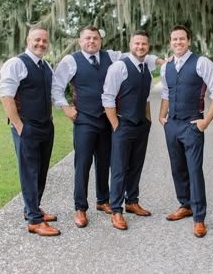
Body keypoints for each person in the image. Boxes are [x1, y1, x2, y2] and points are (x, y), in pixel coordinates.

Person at [52, 26, 160, 228]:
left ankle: (103, 200)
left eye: (95, 38)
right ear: (80, 40)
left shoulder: (110, 56)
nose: (91, 41)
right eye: (87, 38)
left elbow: (136, 53)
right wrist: (66, 108)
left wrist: (162, 61)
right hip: (85, 119)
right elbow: (56, 87)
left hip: (106, 120)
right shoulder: (71, 61)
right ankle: (80, 208)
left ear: (100, 41)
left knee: (105, 162)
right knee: (83, 164)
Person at [159, 25, 213, 238]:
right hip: (173, 125)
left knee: (194, 170)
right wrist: (162, 117)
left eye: (181, 39)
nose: (178, 42)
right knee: (177, 168)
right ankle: (184, 205)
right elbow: (167, 93)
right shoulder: (166, 66)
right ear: (170, 42)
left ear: (189, 41)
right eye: (174, 39)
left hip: (192, 124)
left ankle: (199, 218)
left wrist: (205, 121)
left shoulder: (202, 62)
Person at [0, 26, 60, 236]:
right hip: (27, 126)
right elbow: (6, 96)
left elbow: (53, 93)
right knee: (29, 172)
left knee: (41, 171)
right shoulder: (16, 63)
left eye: (44, 41)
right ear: (28, 40)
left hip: (45, 126)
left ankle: (32, 209)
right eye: (37, 40)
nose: (41, 44)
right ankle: (34, 221)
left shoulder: (46, 66)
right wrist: (19, 125)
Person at [102, 31, 154, 230]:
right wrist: (115, 124)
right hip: (123, 124)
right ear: (130, 44)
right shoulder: (119, 67)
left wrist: (148, 120)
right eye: (137, 43)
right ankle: (116, 210)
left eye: (144, 44)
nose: (140, 46)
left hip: (141, 125)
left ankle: (132, 201)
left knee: (136, 165)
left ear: (147, 47)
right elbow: (107, 98)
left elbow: (147, 97)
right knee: (119, 168)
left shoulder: (146, 69)